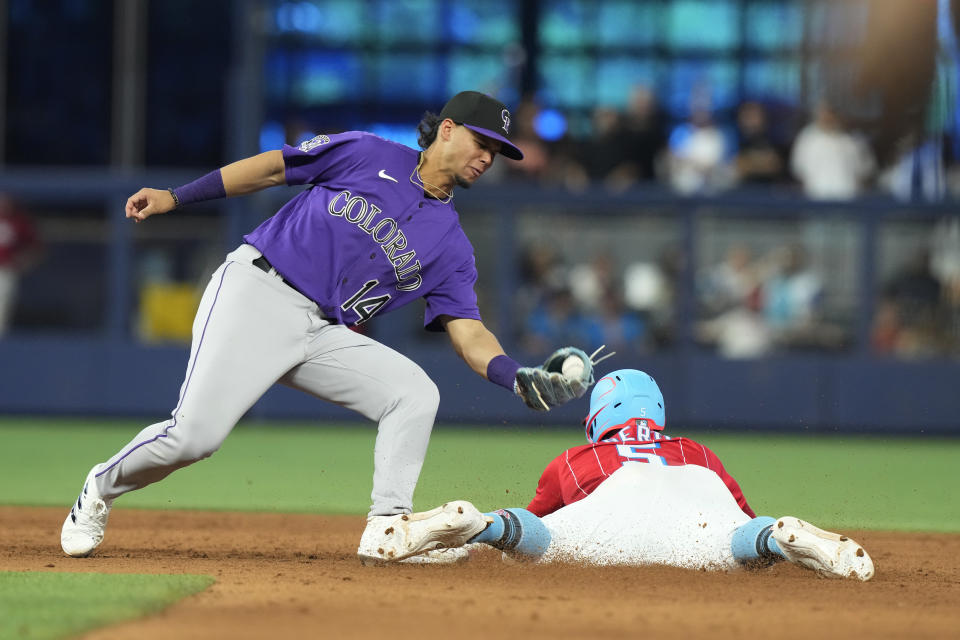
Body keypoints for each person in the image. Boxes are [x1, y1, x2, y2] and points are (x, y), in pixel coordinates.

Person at [60, 91, 592, 562]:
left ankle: (386, 523)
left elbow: (468, 330)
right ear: (447, 129)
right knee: (193, 439)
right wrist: (177, 196)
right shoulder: (369, 152)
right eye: (483, 142)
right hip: (258, 290)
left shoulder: (452, 244)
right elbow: (273, 167)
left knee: (413, 393)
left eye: (496, 152)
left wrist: (514, 374)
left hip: (321, 331)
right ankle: (99, 488)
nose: (487, 157)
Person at [433, 369, 874, 580]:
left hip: (615, 518)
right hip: (694, 508)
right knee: (738, 540)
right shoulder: (697, 451)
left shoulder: (576, 458)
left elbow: (537, 523)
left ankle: (482, 525)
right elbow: (741, 514)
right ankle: (779, 538)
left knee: (543, 543)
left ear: (599, 416)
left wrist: (494, 544)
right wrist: (755, 544)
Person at [0, 194, 42, 336]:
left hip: (5, 271)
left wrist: (23, 261)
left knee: (2, 308)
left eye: (5, 199)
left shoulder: (18, 221)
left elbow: (35, 247)